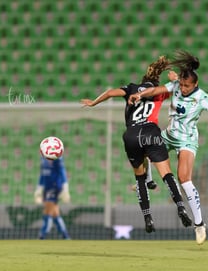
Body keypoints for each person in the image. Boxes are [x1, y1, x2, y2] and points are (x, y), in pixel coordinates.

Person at [129, 50, 208, 245]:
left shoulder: (202, 97)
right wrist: (140, 94)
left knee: (184, 179)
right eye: (181, 85)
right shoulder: (176, 86)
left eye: (187, 86)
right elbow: (156, 91)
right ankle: (148, 181)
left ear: (195, 84)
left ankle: (199, 224)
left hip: (187, 140)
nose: (183, 88)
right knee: (145, 146)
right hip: (169, 134)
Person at [80, 56, 192, 233]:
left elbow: (109, 93)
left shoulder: (131, 88)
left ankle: (148, 218)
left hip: (131, 135)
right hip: (151, 132)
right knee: (167, 174)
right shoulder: (158, 91)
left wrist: (93, 102)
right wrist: (176, 80)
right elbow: (182, 91)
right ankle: (181, 208)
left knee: (139, 178)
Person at [34, 155, 71, 240]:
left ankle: (43, 234)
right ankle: (65, 235)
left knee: (48, 209)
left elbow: (63, 174)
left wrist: (65, 190)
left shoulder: (58, 161)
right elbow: (42, 176)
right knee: (55, 213)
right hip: (47, 189)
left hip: (55, 188)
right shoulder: (43, 160)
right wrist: (39, 190)